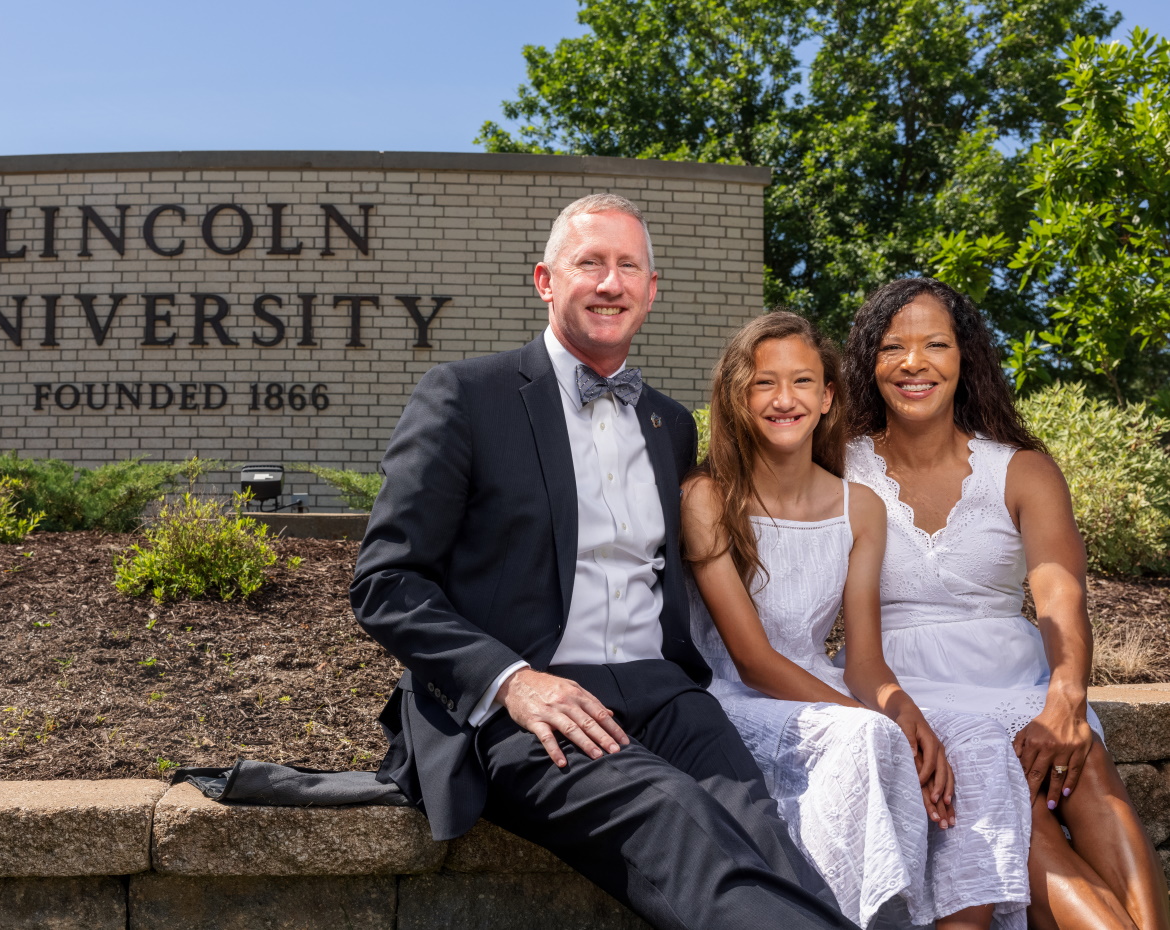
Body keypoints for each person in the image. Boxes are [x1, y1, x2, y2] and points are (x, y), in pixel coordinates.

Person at [351, 193, 857, 930]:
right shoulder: (465, 397)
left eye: (629, 267)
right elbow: (386, 583)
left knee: (766, 835)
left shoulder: (669, 425)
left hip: (663, 692)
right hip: (532, 703)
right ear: (545, 280)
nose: (610, 283)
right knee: (677, 819)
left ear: (652, 291)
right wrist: (513, 683)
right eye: (590, 263)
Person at [682, 311, 1031, 930]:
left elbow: (864, 660)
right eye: (764, 383)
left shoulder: (859, 507)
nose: (784, 399)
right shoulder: (708, 498)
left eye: (803, 383)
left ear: (828, 397)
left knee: (973, 736)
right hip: (735, 697)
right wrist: (882, 725)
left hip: (826, 688)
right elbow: (752, 660)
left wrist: (906, 712)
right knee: (868, 738)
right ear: (737, 397)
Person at [841, 277, 1170, 930]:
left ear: (966, 358)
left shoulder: (1020, 469)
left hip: (1013, 676)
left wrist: (1067, 696)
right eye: (892, 347)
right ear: (867, 363)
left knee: (1088, 770)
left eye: (935, 344)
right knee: (1032, 829)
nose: (914, 363)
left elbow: (1059, 590)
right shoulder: (839, 467)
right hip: (908, 686)